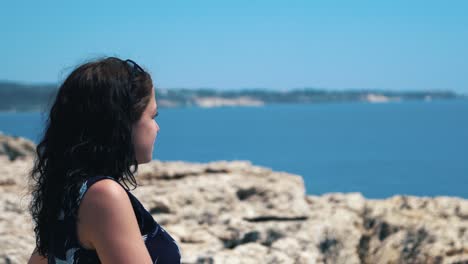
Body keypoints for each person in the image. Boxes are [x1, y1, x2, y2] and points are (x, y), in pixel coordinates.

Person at [27, 57, 181, 264]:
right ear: (122, 122)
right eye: (152, 116)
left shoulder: (69, 192)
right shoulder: (104, 195)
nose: (157, 128)